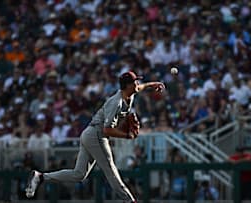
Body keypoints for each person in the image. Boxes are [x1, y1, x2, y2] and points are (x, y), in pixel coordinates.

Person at [25, 71, 165, 202]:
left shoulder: (130, 93)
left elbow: (140, 87)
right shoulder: (115, 102)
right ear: (127, 86)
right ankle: (130, 200)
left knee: (79, 174)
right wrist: (126, 135)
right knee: (110, 169)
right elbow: (107, 130)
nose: (137, 84)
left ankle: (41, 176)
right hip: (97, 135)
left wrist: (152, 85)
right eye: (134, 82)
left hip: (90, 134)